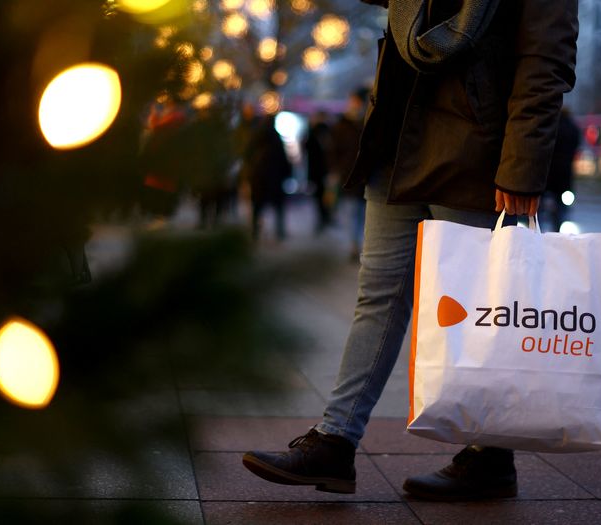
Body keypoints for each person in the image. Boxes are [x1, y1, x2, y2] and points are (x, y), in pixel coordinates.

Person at [243, 0, 577, 501]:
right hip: (395, 145)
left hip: (474, 154)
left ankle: (490, 456)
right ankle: (335, 441)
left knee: (480, 312)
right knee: (377, 298)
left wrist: (522, 167)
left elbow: (546, 61)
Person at [328, 87, 369, 261]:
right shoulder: (341, 126)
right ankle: (354, 246)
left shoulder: (367, 123)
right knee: (351, 212)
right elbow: (333, 152)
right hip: (348, 176)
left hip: (366, 177)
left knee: (362, 213)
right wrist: (334, 172)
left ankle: (359, 245)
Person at [240, 113, 292, 241]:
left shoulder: (255, 137)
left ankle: (255, 232)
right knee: (278, 205)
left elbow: (246, 155)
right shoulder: (276, 138)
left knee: (257, 205)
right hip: (274, 176)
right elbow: (283, 158)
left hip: (258, 176)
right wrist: (287, 173)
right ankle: (279, 231)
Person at [543, 107, 581, 231]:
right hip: (565, 174)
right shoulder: (573, 128)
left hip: (547, 173)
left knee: (540, 207)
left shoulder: (550, 126)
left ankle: (536, 233)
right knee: (561, 208)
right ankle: (557, 231)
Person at [304, 110, 332, 234]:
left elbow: (305, 146)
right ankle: (325, 217)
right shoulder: (323, 131)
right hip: (323, 170)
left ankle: (324, 218)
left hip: (319, 171)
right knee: (323, 196)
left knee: (321, 196)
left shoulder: (316, 131)